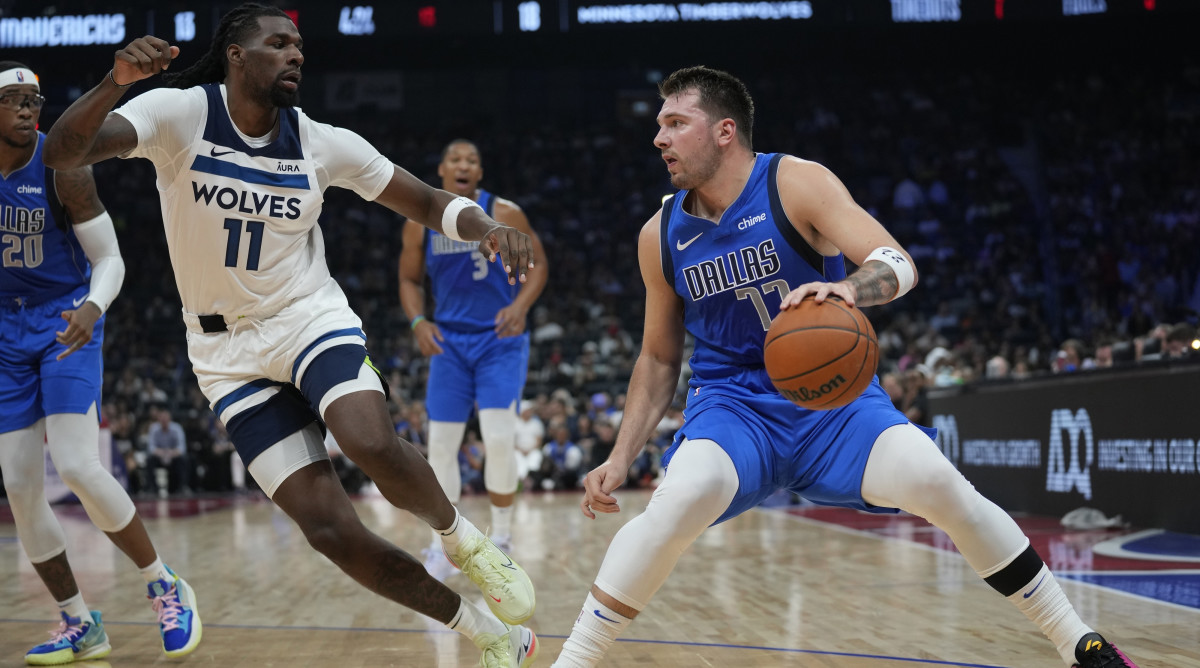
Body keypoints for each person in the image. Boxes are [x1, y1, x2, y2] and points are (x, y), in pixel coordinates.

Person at [551, 66, 1137, 668]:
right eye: (659, 125)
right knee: (680, 498)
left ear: (725, 131)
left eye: (676, 123)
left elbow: (896, 261)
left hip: (835, 405)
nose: (659, 138)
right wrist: (621, 456)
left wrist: (851, 290)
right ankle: (574, 660)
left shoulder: (795, 183)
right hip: (733, 408)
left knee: (936, 479)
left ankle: (1079, 644)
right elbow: (658, 355)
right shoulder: (660, 232)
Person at [43, 6, 538, 666]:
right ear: (236, 56)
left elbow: (424, 201)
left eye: (299, 44)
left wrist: (484, 228)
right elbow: (62, 150)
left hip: (307, 317)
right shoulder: (180, 114)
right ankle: (483, 631)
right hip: (224, 356)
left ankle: (463, 540)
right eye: (278, 43)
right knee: (330, 530)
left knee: (365, 437)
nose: (296, 53)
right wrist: (117, 81)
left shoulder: (322, 141)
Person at [0, 61, 202, 665]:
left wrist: (92, 305)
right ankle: (78, 624)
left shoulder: (62, 164)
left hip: (66, 318)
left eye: (34, 98)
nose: (29, 107)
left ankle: (164, 583)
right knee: (18, 484)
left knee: (80, 466)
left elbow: (109, 257)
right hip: (7, 333)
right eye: (14, 98)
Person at [399, 139, 547, 575]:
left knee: (500, 438)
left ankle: (500, 535)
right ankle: (445, 545)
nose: (464, 165)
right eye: (456, 160)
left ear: (479, 174)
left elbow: (539, 263)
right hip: (450, 343)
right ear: (442, 170)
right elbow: (408, 280)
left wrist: (520, 306)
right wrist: (417, 322)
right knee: (440, 447)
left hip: (498, 342)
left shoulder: (506, 212)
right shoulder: (419, 220)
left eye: (473, 161)